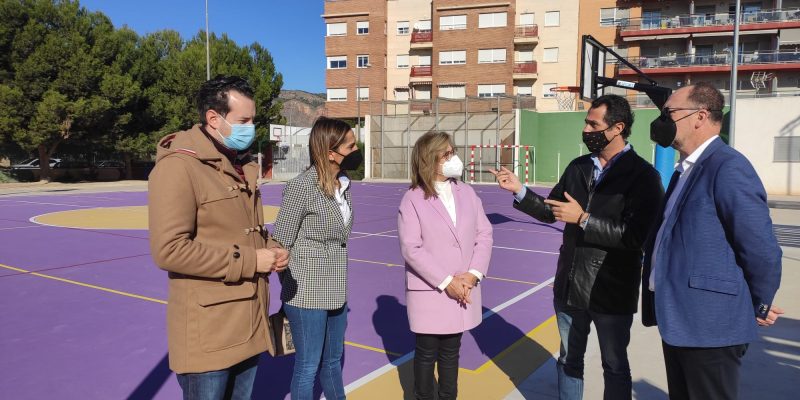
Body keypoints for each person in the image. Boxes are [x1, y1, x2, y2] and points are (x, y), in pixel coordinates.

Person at [490, 94, 663, 400]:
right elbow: (550, 210)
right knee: (570, 361)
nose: (585, 130)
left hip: (612, 291)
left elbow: (637, 236)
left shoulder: (643, 176)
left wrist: (583, 219)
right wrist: (520, 190)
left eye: (593, 124)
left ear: (617, 128)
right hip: (570, 286)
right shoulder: (578, 167)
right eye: (586, 122)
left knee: (614, 364)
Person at [148, 75, 289, 400]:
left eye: (253, 119)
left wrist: (270, 247)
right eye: (244, 120)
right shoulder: (179, 167)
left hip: (248, 323)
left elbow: (240, 230)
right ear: (214, 118)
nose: (251, 127)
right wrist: (253, 260)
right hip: (210, 333)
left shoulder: (238, 165)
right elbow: (169, 250)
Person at [643, 82, 783, 400]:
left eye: (669, 112)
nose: (662, 120)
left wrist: (757, 304)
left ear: (700, 116)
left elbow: (761, 249)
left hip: (711, 327)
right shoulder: (684, 171)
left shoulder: (728, 167)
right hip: (680, 320)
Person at [397, 131, 493, 400]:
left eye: (453, 152)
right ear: (430, 159)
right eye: (447, 154)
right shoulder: (413, 198)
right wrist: (446, 281)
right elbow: (411, 248)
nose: (455, 158)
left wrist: (473, 275)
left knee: (452, 354)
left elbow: (484, 234)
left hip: (464, 288)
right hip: (431, 291)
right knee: (427, 354)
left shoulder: (468, 192)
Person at [271, 116, 361, 400]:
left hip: (336, 290)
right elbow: (280, 242)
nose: (356, 149)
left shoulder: (344, 185)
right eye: (351, 145)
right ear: (331, 152)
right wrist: (292, 286)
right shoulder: (301, 187)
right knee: (308, 366)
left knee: (332, 363)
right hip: (306, 293)